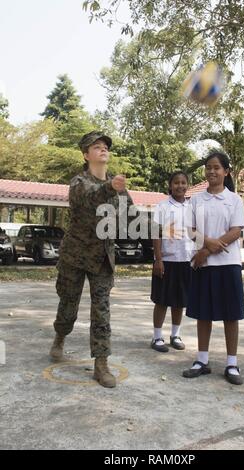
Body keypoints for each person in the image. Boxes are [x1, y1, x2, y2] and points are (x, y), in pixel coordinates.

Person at [49, 131, 133, 388]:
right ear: (86, 155)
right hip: (75, 256)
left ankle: (101, 364)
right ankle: (60, 335)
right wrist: (110, 187)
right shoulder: (78, 182)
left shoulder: (117, 187)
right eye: (97, 147)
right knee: (68, 305)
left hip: (101, 259)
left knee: (102, 312)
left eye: (105, 146)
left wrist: (165, 229)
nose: (103, 149)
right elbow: (88, 198)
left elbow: (132, 218)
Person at [183, 151, 244, 385]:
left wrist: (206, 251)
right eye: (208, 167)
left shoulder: (234, 200)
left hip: (227, 264)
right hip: (203, 265)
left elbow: (236, 231)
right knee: (203, 313)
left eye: (216, 167)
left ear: (226, 171)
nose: (211, 171)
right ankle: (202, 360)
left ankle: (232, 363)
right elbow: (190, 230)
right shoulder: (196, 200)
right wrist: (206, 244)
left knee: (231, 315)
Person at [150, 171, 194, 353]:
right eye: (176, 183)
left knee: (180, 301)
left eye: (184, 183)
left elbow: (196, 233)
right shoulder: (162, 206)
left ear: (187, 186)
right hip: (167, 260)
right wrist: (158, 259)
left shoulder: (192, 207)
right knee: (162, 301)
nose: (180, 186)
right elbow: (156, 234)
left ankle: (175, 335)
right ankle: (156, 337)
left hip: (186, 260)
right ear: (170, 186)